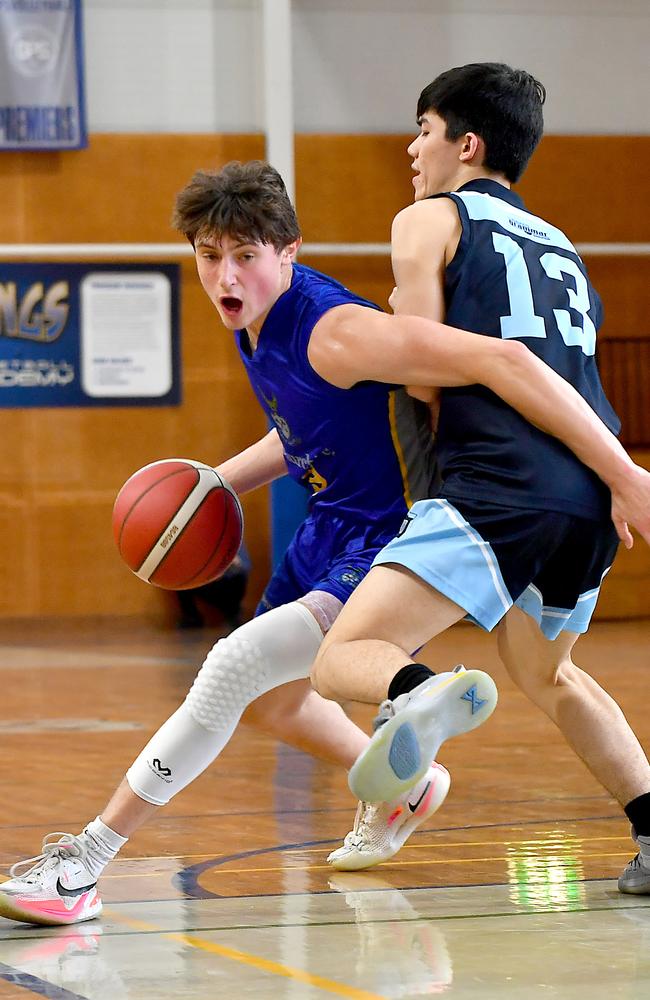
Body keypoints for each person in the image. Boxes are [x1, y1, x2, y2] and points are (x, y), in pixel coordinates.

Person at [1, 154, 649, 928]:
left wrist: (618, 468)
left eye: (245, 255)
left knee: (230, 668)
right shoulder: (255, 324)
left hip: (387, 530)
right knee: (278, 704)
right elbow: (300, 428)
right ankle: (410, 784)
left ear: (289, 252)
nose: (225, 275)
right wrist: (213, 486)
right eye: (210, 258)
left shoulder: (338, 330)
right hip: (330, 522)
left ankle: (88, 860)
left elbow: (496, 358)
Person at [309, 62, 650, 894]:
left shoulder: (428, 220)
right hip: (588, 495)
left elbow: (422, 366)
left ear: (468, 144)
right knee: (547, 672)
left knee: (342, 657)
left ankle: (422, 692)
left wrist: (382, 330)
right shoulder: (561, 246)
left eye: (424, 129)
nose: (412, 147)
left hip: (500, 481)